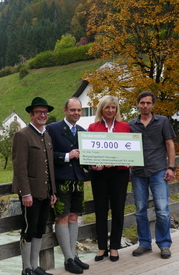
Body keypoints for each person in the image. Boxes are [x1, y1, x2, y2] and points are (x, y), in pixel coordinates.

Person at [12, 97, 57, 275]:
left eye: (45, 112)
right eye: (38, 112)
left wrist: (52, 191)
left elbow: (49, 166)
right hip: (30, 193)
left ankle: (34, 266)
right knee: (28, 230)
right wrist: (25, 193)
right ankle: (26, 269)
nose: (42, 115)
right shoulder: (22, 135)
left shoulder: (46, 135)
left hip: (45, 192)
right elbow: (19, 166)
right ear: (31, 115)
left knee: (39, 229)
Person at [129, 90, 176, 259]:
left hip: (158, 171)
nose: (145, 106)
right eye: (142, 103)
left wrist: (171, 167)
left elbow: (170, 144)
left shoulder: (162, 121)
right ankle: (144, 243)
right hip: (138, 172)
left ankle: (164, 244)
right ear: (137, 104)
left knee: (162, 210)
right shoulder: (131, 124)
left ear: (153, 105)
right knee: (140, 210)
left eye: (148, 103)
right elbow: (127, 148)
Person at [46, 97, 89, 274]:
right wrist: (66, 156)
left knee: (74, 217)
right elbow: (47, 154)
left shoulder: (82, 131)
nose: (76, 113)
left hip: (78, 180)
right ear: (65, 110)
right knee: (62, 217)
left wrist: (95, 164)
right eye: (73, 110)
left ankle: (73, 255)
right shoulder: (53, 128)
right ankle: (68, 259)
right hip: (61, 180)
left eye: (79, 110)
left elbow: (86, 156)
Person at [88, 95, 131, 262]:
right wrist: (93, 164)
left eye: (113, 107)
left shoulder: (125, 126)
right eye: (107, 107)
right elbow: (90, 152)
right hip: (99, 175)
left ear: (116, 109)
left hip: (119, 173)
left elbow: (129, 153)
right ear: (101, 109)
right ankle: (101, 248)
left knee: (118, 209)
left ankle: (114, 247)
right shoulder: (93, 127)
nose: (110, 110)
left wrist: (119, 163)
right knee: (100, 210)